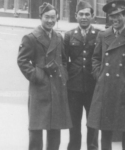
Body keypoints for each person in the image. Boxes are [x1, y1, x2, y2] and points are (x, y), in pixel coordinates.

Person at [87, 0, 125, 150]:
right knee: (105, 132)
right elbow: (95, 58)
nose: (115, 19)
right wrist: (98, 74)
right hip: (105, 90)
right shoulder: (103, 35)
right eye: (112, 16)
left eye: (118, 16)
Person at [17, 2, 72, 150]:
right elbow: (22, 61)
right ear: (40, 17)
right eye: (47, 17)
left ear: (57, 18)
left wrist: (64, 75)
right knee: (36, 128)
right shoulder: (31, 37)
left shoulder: (59, 37)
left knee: (55, 128)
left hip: (57, 87)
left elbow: (64, 60)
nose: (50, 20)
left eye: (53, 17)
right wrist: (37, 76)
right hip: (40, 88)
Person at [64, 1, 100, 150]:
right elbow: (64, 60)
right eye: (81, 14)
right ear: (75, 16)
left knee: (93, 123)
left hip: (93, 86)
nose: (84, 17)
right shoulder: (69, 35)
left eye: (87, 14)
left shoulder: (99, 35)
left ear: (92, 16)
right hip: (74, 86)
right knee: (74, 123)